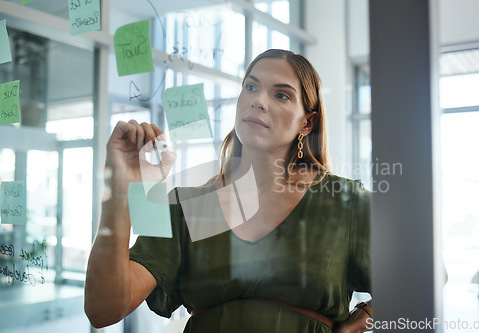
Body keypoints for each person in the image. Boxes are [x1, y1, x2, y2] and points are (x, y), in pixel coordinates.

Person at [84, 49, 372, 332]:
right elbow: (104, 309)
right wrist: (120, 189)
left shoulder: (344, 202)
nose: (258, 101)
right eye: (250, 87)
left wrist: (366, 316)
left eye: (281, 94)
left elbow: (414, 278)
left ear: (306, 123)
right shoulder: (188, 207)